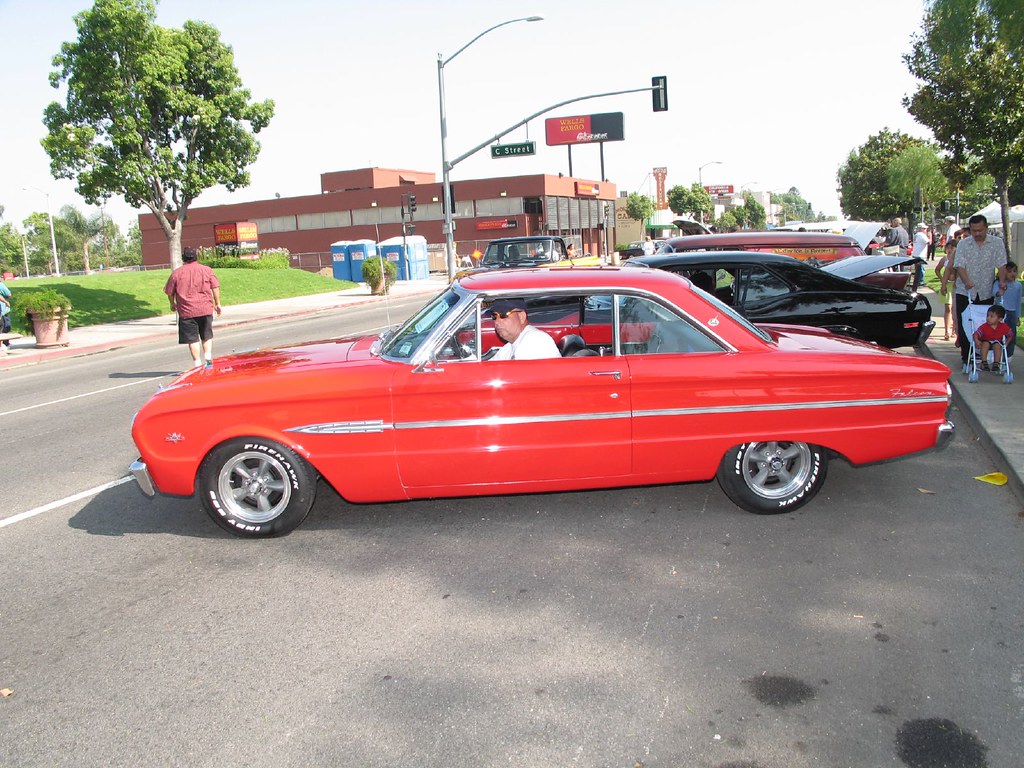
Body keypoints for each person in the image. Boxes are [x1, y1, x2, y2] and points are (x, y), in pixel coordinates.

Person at [954, 214, 1008, 366]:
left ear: (986, 228)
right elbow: (959, 265)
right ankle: (967, 355)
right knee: (965, 322)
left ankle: (983, 354)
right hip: (965, 290)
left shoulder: (996, 243)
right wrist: (967, 281)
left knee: (985, 323)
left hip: (986, 289)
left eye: (980, 230)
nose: (977, 234)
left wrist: (1002, 283)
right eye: (973, 230)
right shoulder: (964, 244)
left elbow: (1001, 264)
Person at [164, 247, 222, 368]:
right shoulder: (206, 270)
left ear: (183, 258)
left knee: (192, 339)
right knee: (206, 335)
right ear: (196, 256)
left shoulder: (177, 273)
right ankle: (208, 359)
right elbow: (215, 286)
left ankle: (197, 364)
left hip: (187, 311)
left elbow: (169, 292)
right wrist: (218, 303)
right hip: (205, 308)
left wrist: (172, 304)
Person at [485, 298, 559, 360]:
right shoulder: (508, 348)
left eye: (503, 315)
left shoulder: (535, 340)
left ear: (521, 316)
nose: (497, 322)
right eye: (494, 316)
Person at [973, 304, 1012, 372]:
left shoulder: (1003, 327)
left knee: (997, 345)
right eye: (987, 316)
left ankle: (996, 363)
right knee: (985, 344)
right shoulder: (984, 327)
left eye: (991, 316)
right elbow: (976, 334)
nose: (988, 318)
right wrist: (976, 340)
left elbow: (1010, 334)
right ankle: (984, 362)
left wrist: (1007, 343)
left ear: (999, 319)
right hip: (986, 341)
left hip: (997, 342)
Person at [994, 260, 1020, 357]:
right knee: (998, 335)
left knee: (1011, 335)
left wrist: (1017, 317)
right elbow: (994, 293)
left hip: (1012, 313)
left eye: (1014, 271)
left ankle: (1008, 355)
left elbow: (1017, 302)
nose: (1012, 274)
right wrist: (999, 292)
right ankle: (997, 355)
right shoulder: (998, 283)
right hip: (1000, 313)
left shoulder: (1018, 285)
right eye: (1009, 271)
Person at [936, 239, 957, 340]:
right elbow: (937, 270)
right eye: (948, 248)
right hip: (947, 285)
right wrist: (942, 280)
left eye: (952, 248)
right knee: (948, 308)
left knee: (955, 309)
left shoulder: (958, 259)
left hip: (956, 285)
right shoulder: (944, 259)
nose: (950, 250)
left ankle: (954, 330)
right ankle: (947, 331)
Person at [912, 223, 930, 289]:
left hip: (916, 254)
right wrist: (929, 236)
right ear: (921, 229)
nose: (926, 230)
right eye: (925, 229)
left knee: (917, 269)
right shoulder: (922, 235)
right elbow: (929, 242)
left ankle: (917, 281)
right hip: (921, 254)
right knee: (921, 269)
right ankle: (920, 281)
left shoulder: (916, 235)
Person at [0, 277, 11, 350]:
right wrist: (6, 302)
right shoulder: (1, 285)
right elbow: (9, 294)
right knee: (4, 326)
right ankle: (4, 344)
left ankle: (4, 343)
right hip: (2, 311)